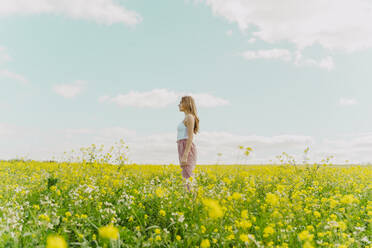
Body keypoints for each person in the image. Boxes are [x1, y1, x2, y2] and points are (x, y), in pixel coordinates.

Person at [177, 96, 199, 194]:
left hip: (187, 147)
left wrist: (185, 154)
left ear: (187, 104)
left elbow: (190, 137)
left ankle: (193, 202)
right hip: (182, 146)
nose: (179, 105)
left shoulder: (190, 117)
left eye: (181, 103)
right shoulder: (186, 118)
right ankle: (188, 201)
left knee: (189, 176)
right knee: (185, 176)